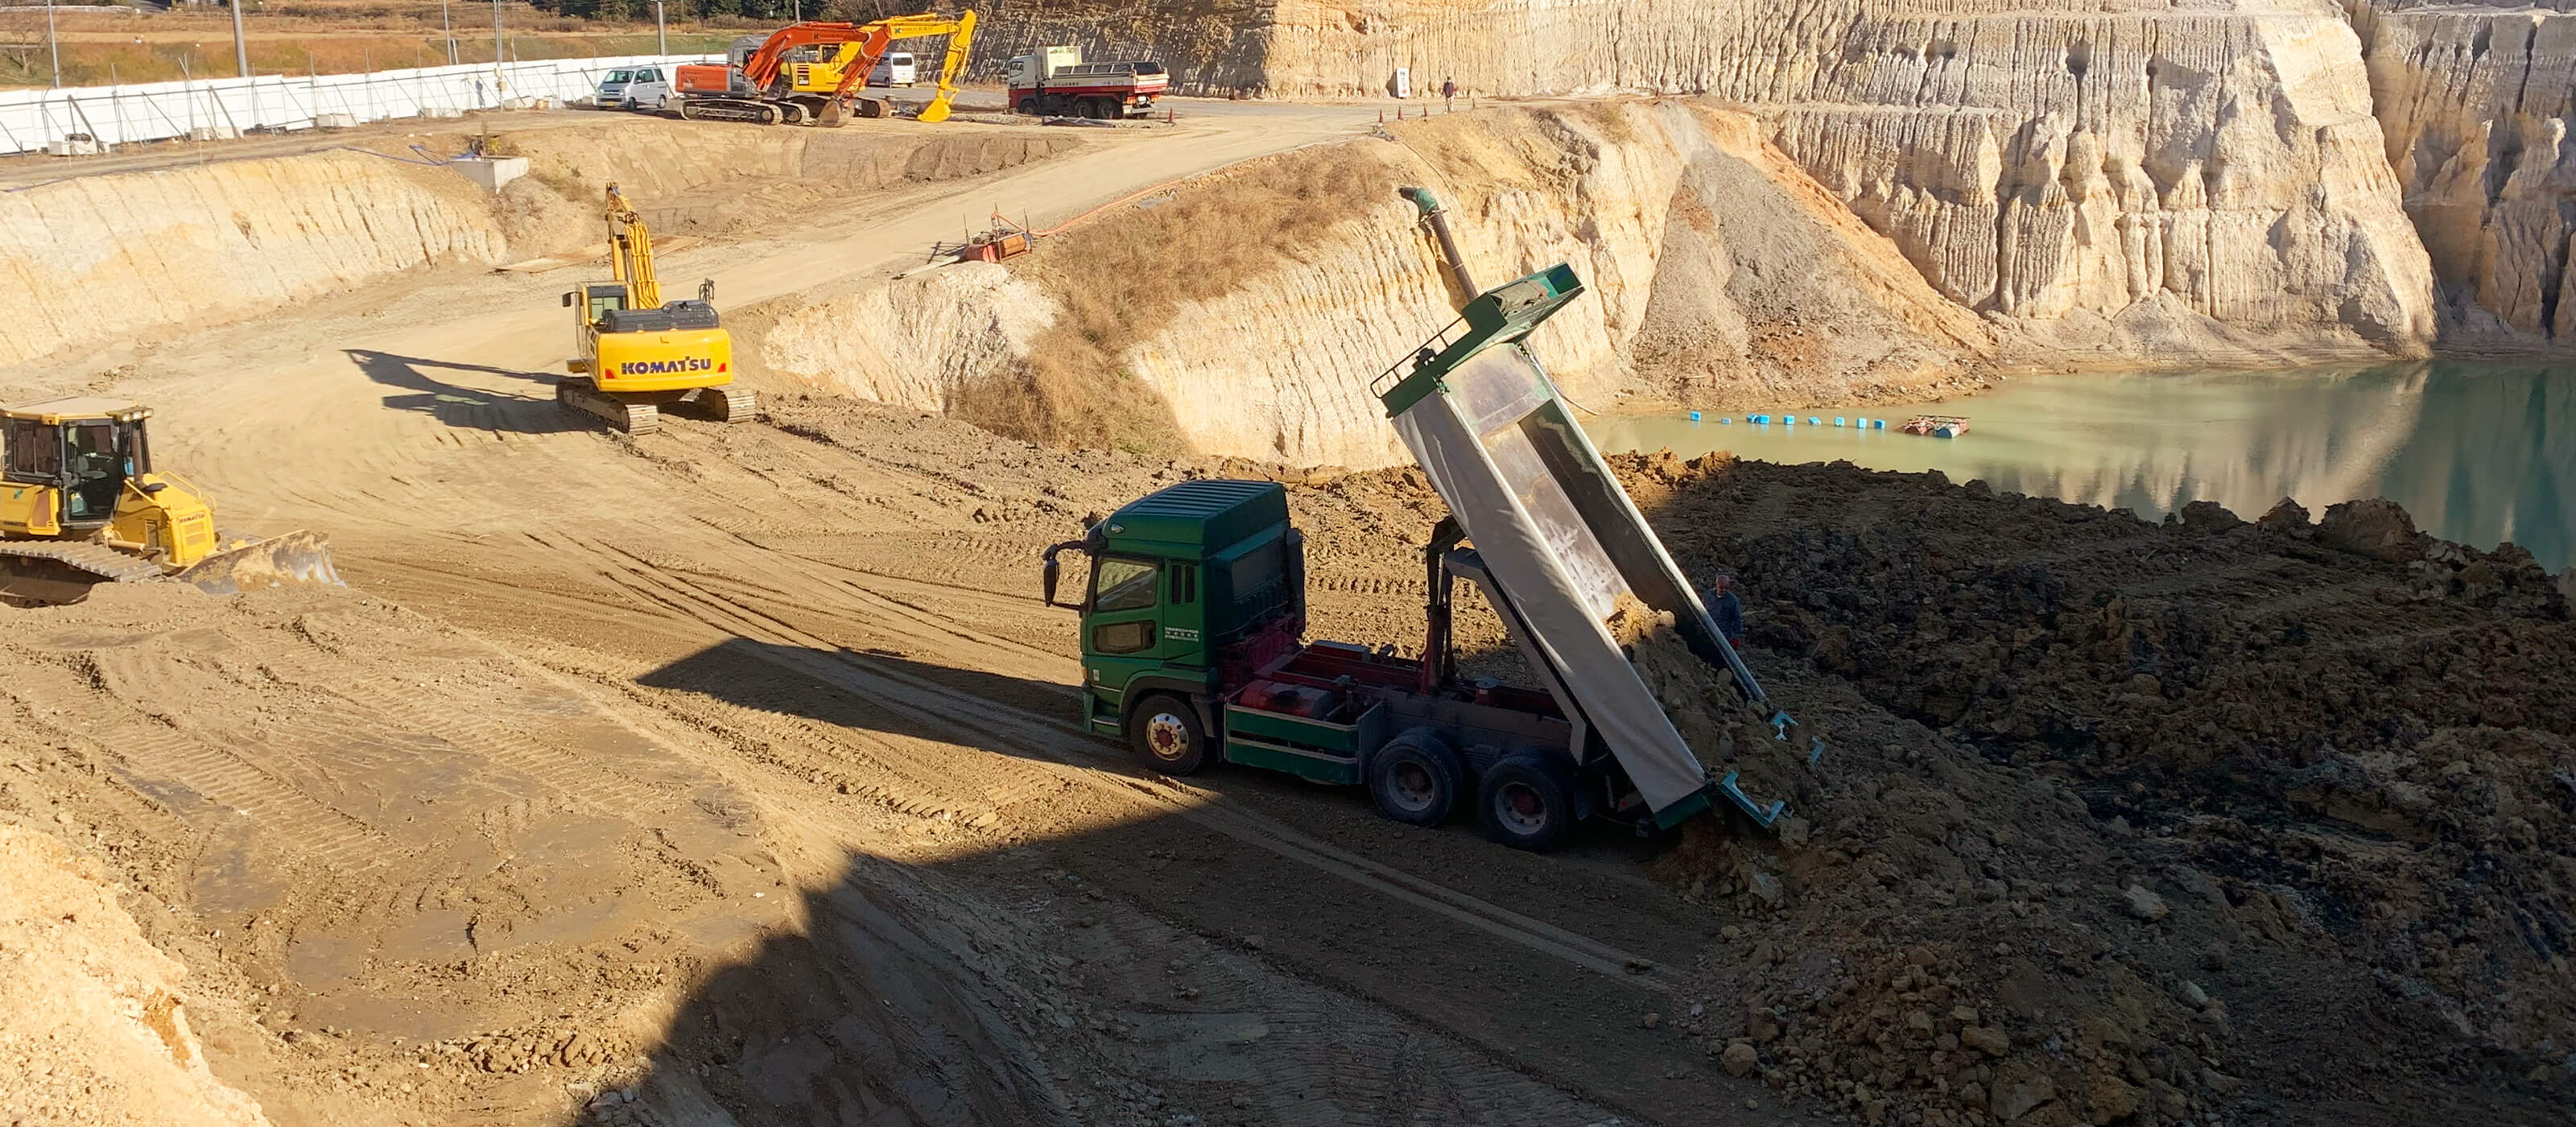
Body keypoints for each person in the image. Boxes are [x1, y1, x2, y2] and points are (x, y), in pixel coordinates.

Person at [1704, 572, 1745, 648]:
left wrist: (1736, 637)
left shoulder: (1732, 601)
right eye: (1721, 587)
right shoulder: (1709, 595)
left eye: (1726, 588)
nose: (1724, 590)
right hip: (1708, 631)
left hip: (1723, 635)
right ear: (1716, 585)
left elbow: (1738, 619)